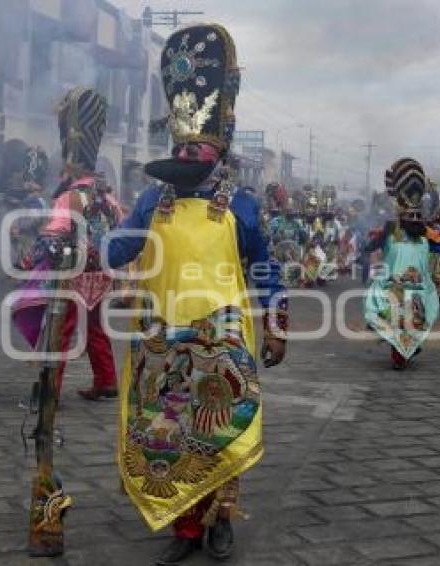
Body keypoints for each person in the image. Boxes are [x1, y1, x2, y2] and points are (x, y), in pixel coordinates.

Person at [102, 23, 287, 565]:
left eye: (197, 143)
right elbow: (116, 254)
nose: (187, 149)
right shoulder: (149, 202)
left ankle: (220, 517)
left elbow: (267, 269)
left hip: (221, 336)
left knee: (218, 432)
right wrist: (90, 240)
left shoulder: (241, 204)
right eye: (181, 143)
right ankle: (184, 527)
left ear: (218, 146)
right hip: (159, 338)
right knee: (168, 435)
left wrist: (277, 325)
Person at [12, 88, 120, 403]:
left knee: (60, 330)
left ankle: (49, 392)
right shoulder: (109, 198)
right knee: (95, 329)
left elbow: (52, 235)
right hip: (101, 276)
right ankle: (107, 380)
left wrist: (28, 261)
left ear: (70, 167)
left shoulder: (68, 197)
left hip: (72, 276)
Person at [365, 158, 440, 370]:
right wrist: (364, 249)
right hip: (393, 286)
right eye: (409, 217)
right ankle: (397, 345)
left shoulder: (426, 234)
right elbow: (371, 245)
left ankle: (410, 345)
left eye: (416, 218)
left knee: (419, 320)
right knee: (388, 315)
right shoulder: (391, 229)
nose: (413, 221)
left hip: (418, 288)